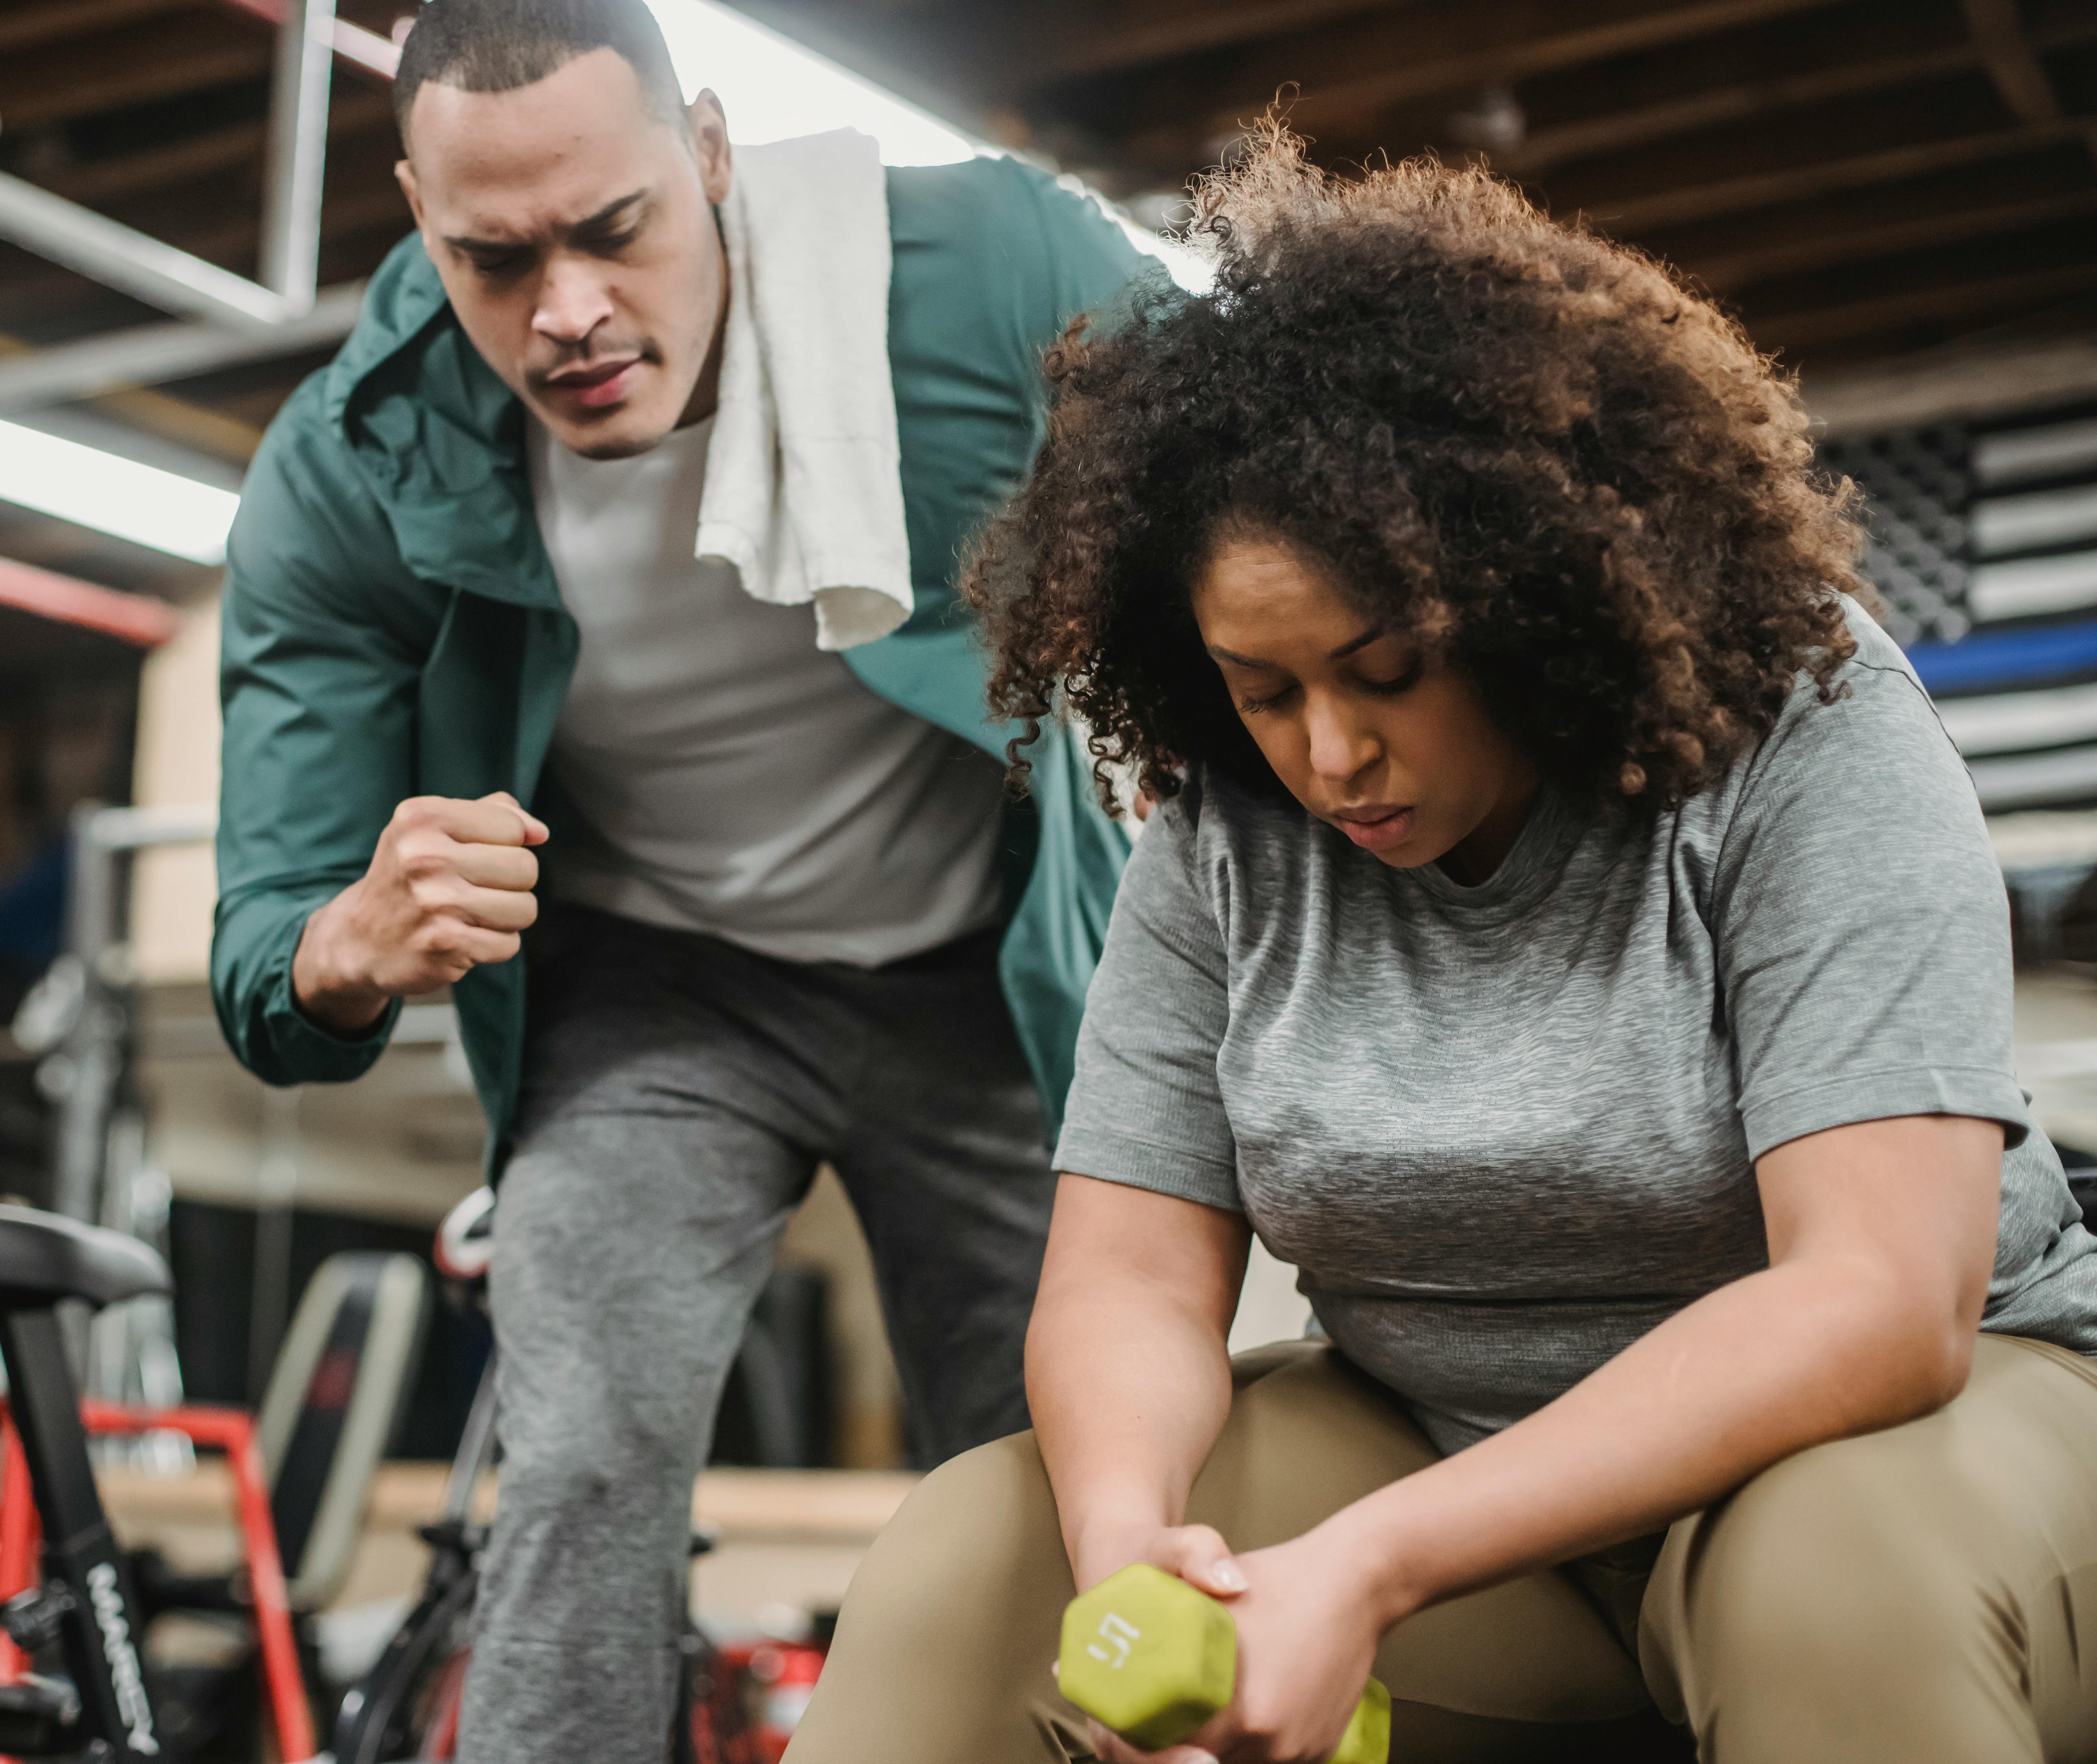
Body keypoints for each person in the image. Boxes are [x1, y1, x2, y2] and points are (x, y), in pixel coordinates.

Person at [784, 127, 2097, 1764]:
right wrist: (1135, 1565)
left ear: (1532, 596)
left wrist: (1370, 1566)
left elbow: (1883, 1299)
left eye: (1386, 669)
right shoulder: (1225, 829)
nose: (1328, 755)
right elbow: (1127, 1279)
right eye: (1265, 692)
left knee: (1830, 1584)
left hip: (1919, 1450)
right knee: (975, 1563)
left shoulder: (1807, 725)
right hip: (1450, 1461)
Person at [209, 2, 1153, 1756]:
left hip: (981, 961)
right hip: (657, 988)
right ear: (420, 219)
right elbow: (271, 951)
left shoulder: (983, 273)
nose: (566, 311)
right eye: (496, 260)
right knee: (580, 1452)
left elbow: (1308, 465)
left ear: (709, 154)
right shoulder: (352, 468)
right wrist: (353, 937)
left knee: (1064, 1467)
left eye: (615, 229)